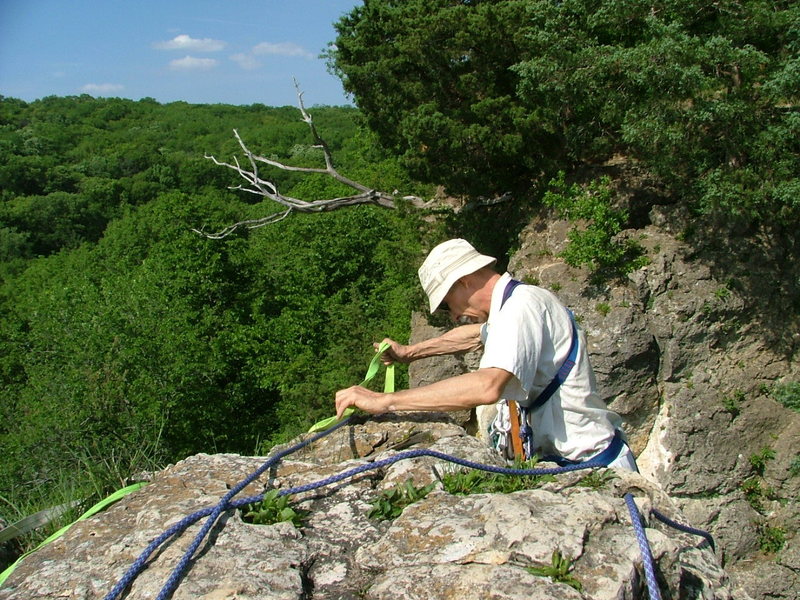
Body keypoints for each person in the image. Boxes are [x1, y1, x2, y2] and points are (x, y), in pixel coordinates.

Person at [334, 239, 638, 471]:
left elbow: (488, 386)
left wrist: (385, 401)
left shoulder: (520, 308)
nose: (452, 315)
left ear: (465, 281)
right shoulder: (516, 304)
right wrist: (411, 352)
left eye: (445, 303)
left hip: (592, 462)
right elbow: (475, 335)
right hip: (578, 460)